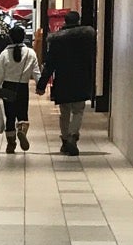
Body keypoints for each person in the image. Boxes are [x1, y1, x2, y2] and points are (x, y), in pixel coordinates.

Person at [37, 9, 98, 155]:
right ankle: (72, 136)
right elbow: (92, 60)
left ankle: (65, 140)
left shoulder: (57, 40)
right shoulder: (87, 38)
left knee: (64, 112)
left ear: (65, 22)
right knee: (78, 110)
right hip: (81, 78)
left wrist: (41, 85)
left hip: (63, 79)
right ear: (78, 21)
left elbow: (50, 64)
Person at [0, 25, 40, 154]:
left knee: (10, 116)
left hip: (8, 88)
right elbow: (36, 72)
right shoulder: (30, 53)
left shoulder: (4, 54)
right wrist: (40, 86)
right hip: (22, 87)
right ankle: (22, 130)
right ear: (23, 37)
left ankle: (11, 144)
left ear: (10, 38)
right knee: (22, 114)